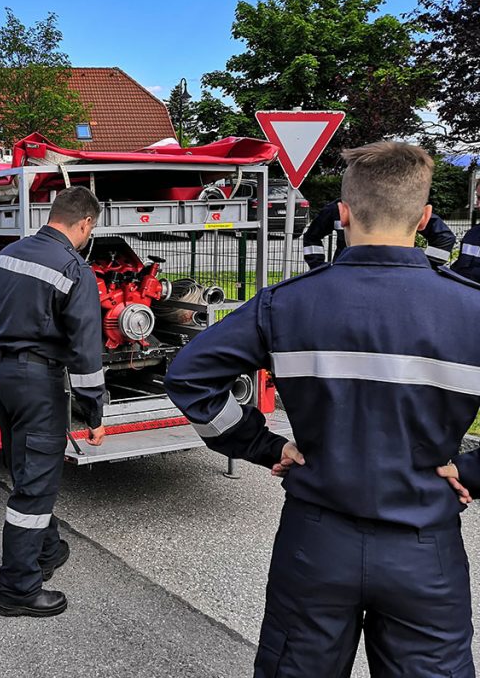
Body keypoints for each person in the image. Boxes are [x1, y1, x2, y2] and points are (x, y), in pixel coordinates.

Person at [165, 141, 480, 677]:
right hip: (425, 550)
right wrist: (475, 470)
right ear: (426, 218)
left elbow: (189, 377)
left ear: (343, 214)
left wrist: (262, 446)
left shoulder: (286, 303)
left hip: (314, 542)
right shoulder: (470, 308)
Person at [0, 186, 107, 618]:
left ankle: (48, 550)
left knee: (25, 464)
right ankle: (18, 588)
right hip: (38, 382)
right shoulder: (75, 269)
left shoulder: (7, 255)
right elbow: (87, 351)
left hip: (0, 373)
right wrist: (94, 413)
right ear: (86, 224)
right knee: (35, 484)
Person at [302, 197, 455, 269]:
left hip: (400, 274)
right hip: (346, 270)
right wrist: (318, 266)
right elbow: (312, 237)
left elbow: (444, 237)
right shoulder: (337, 209)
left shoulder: (404, 205)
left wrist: (428, 267)